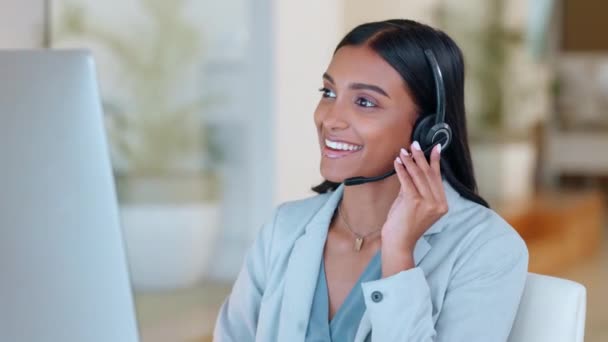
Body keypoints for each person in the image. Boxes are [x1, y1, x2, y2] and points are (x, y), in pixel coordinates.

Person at [213, 19, 528, 342]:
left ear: (430, 130)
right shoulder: (284, 229)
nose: (330, 119)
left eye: (365, 102)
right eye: (329, 92)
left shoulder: (487, 248)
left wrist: (398, 255)